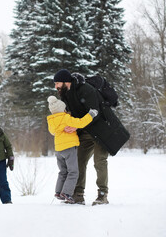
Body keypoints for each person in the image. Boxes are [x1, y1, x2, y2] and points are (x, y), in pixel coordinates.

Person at [53, 69, 129, 205]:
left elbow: (95, 112)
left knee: (99, 161)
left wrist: (77, 126)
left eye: (57, 83)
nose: (56, 87)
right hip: (85, 132)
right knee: (78, 161)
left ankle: (102, 195)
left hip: (102, 130)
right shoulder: (65, 95)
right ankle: (78, 195)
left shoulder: (85, 89)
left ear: (66, 82)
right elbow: (69, 115)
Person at [47, 96, 98, 204]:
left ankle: (58, 191)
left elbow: (53, 132)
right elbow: (80, 123)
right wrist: (91, 115)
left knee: (63, 171)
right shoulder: (65, 118)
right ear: (62, 109)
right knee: (73, 172)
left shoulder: (51, 121)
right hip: (69, 148)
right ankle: (67, 192)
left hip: (58, 150)